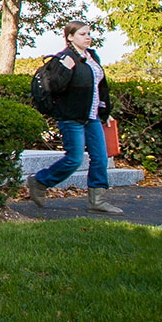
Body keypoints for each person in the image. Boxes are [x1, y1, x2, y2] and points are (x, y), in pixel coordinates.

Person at [27, 20, 122, 214]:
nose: (87, 37)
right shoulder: (64, 58)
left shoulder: (92, 57)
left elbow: (100, 88)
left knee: (100, 158)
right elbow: (55, 87)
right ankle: (39, 181)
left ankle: (97, 200)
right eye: (82, 34)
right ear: (70, 37)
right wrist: (65, 68)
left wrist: (105, 112)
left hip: (92, 117)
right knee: (74, 159)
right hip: (71, 117)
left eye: (88, 34)